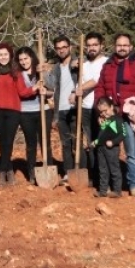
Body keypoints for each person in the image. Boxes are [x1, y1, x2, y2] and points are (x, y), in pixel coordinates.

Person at [94, 33, 135, 197]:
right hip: (112, 116)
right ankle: (110, 185)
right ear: (114, 46)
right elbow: (100, 88)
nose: (122, 48)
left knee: (131, 151)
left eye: (125, 45)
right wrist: (101, 109)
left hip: (131, 115)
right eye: (119, 45)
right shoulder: (108, 66)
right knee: (108, 150)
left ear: (131, 47)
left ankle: (134, 184)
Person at [47, 35, 83, 183]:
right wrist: (43, 71)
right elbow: (50, 86)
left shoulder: (78, 62)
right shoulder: (56, 67)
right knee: (65, 143)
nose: (61, 50)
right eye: (58, 48)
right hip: (60, 110)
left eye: (64, 47)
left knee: (78, 142)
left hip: (75, 109)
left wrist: (80, 64)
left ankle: (80, 170)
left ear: (70, 47)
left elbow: (86, 74)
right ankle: (68, 172)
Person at [75, 33, 108, 188]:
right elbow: (80, 82)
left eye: (95, 45)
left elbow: (96, 81)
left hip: (99, 109)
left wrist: (79, 89)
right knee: (90, 143)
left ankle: (104, 178)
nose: (92, 48)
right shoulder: (84, 64)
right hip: (85, 108)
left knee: (101, 143)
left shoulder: (105, 62)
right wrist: (74, 93)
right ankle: (93, 176)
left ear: (101, 45)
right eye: (89, 45)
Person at [15, 46, 53, 184]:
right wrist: (35, 88)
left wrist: (45, 89)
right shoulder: (18, 74)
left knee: (45, 142)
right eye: (21, 59)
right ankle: (31, 173)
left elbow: (52, 89)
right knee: (31, 144)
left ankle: (49, 168)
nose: (24, 62)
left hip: (44, 110)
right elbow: (22, 92)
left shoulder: (40, 70)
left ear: (32, 57)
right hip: (26, 113)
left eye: (26, 58)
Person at [0, 42, 22, 187]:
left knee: (9, 141)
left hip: (13, 111)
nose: (3, 57)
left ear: (10, 55)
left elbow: (22, 91)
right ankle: (8, 169)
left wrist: (35, 88)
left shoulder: (16, 71)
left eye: (5, 54)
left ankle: (3, 171)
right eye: (0, 54)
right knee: (2, 142)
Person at [93, 97, 124, 198]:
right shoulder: (105, 120)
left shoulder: (118, 119)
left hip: (112, 149)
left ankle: (117, 190)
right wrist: (95, 142)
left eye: (105, 110)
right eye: (100, 112)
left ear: (111, 107)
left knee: (114, 169)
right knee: (102, 169)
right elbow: (102, 135)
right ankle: (103, 190)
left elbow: (123, 134)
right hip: (101, 148)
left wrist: (114, 142)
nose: (103, 113)